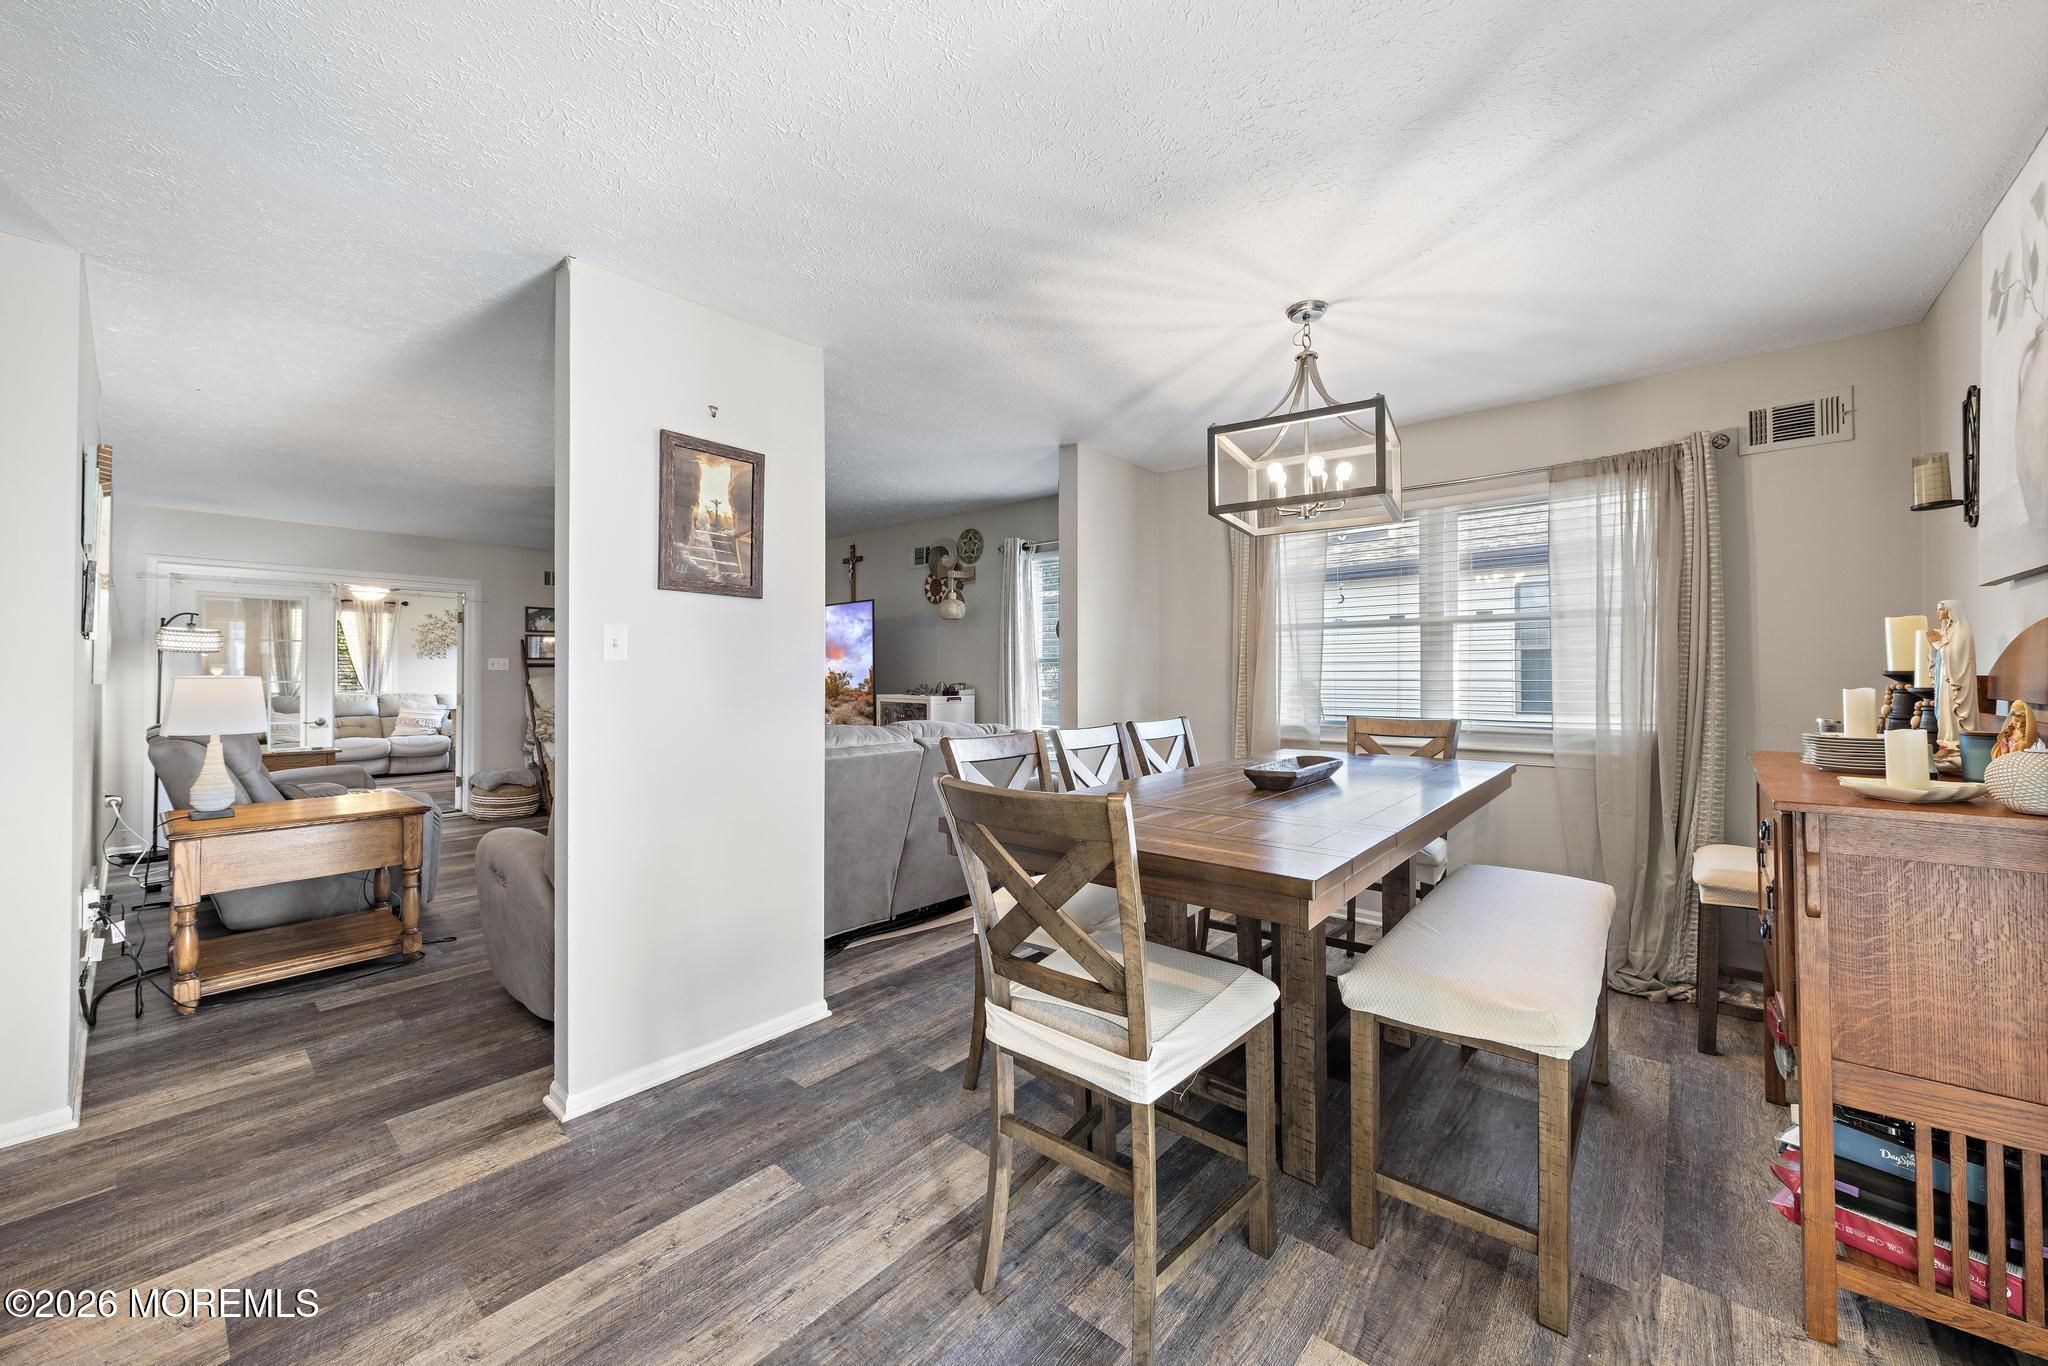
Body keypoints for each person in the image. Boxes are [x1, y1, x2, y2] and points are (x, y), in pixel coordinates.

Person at [1925, 599, 1981, 749]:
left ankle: (1955, 744)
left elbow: (1955, 656)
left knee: (1952, 713)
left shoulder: (1962, 631)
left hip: (1957, 682)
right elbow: (1939, 656)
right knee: (1945, 713)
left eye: (1941, 609)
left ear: (1951, 610)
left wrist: (1937, 643)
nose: (1938, 612)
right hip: (1945, 679)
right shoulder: (1946, 631)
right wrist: (1933, 645)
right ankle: (1946, 742)